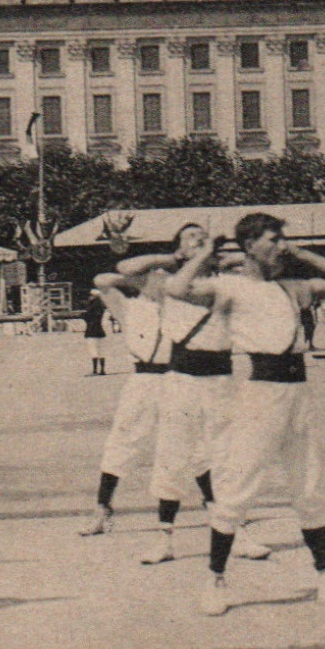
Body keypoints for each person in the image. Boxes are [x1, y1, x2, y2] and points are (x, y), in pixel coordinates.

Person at [166, 213, 325, 616]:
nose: (281, 246)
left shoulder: (291, 288)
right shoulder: (230, 287)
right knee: (238, 489)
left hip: (299, 396)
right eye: (273, 240)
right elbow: (175, 287)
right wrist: (204, 253)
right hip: (261, 397)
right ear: (250, 246)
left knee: (309, 489)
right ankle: (214, 581)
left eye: (282, 240)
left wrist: (303, 251)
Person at [122, 226, 270, 567]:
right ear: (179, 248)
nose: (200, 239)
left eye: (203, 235)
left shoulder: (225, 279)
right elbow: (126, 269)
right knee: (172, 457)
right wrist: (182, 256)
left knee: (227, 459)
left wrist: (229, 254)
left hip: (221, 378)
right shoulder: (165, 280)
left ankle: (238, 532)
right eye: (191, 236)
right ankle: (164, 537)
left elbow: (260, 277)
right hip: (182, 378)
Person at [78, 267, 167, 537]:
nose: (163, 283)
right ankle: (103, 509)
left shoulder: (181, 305)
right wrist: (137, 278)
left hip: (178, 379)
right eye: (157, 278)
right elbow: (101, 280)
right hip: (143, 381)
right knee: (121, 444)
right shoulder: (128, 307)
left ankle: (218, 509)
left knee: (198, 446)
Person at [82, 290, 108, 376]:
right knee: (102, 351)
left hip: (91, 331)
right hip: (100, 331)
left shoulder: (90, 308)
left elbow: (86, 317)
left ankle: (95, 370)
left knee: (93, 351)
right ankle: (102, 369)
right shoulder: (101, 308)